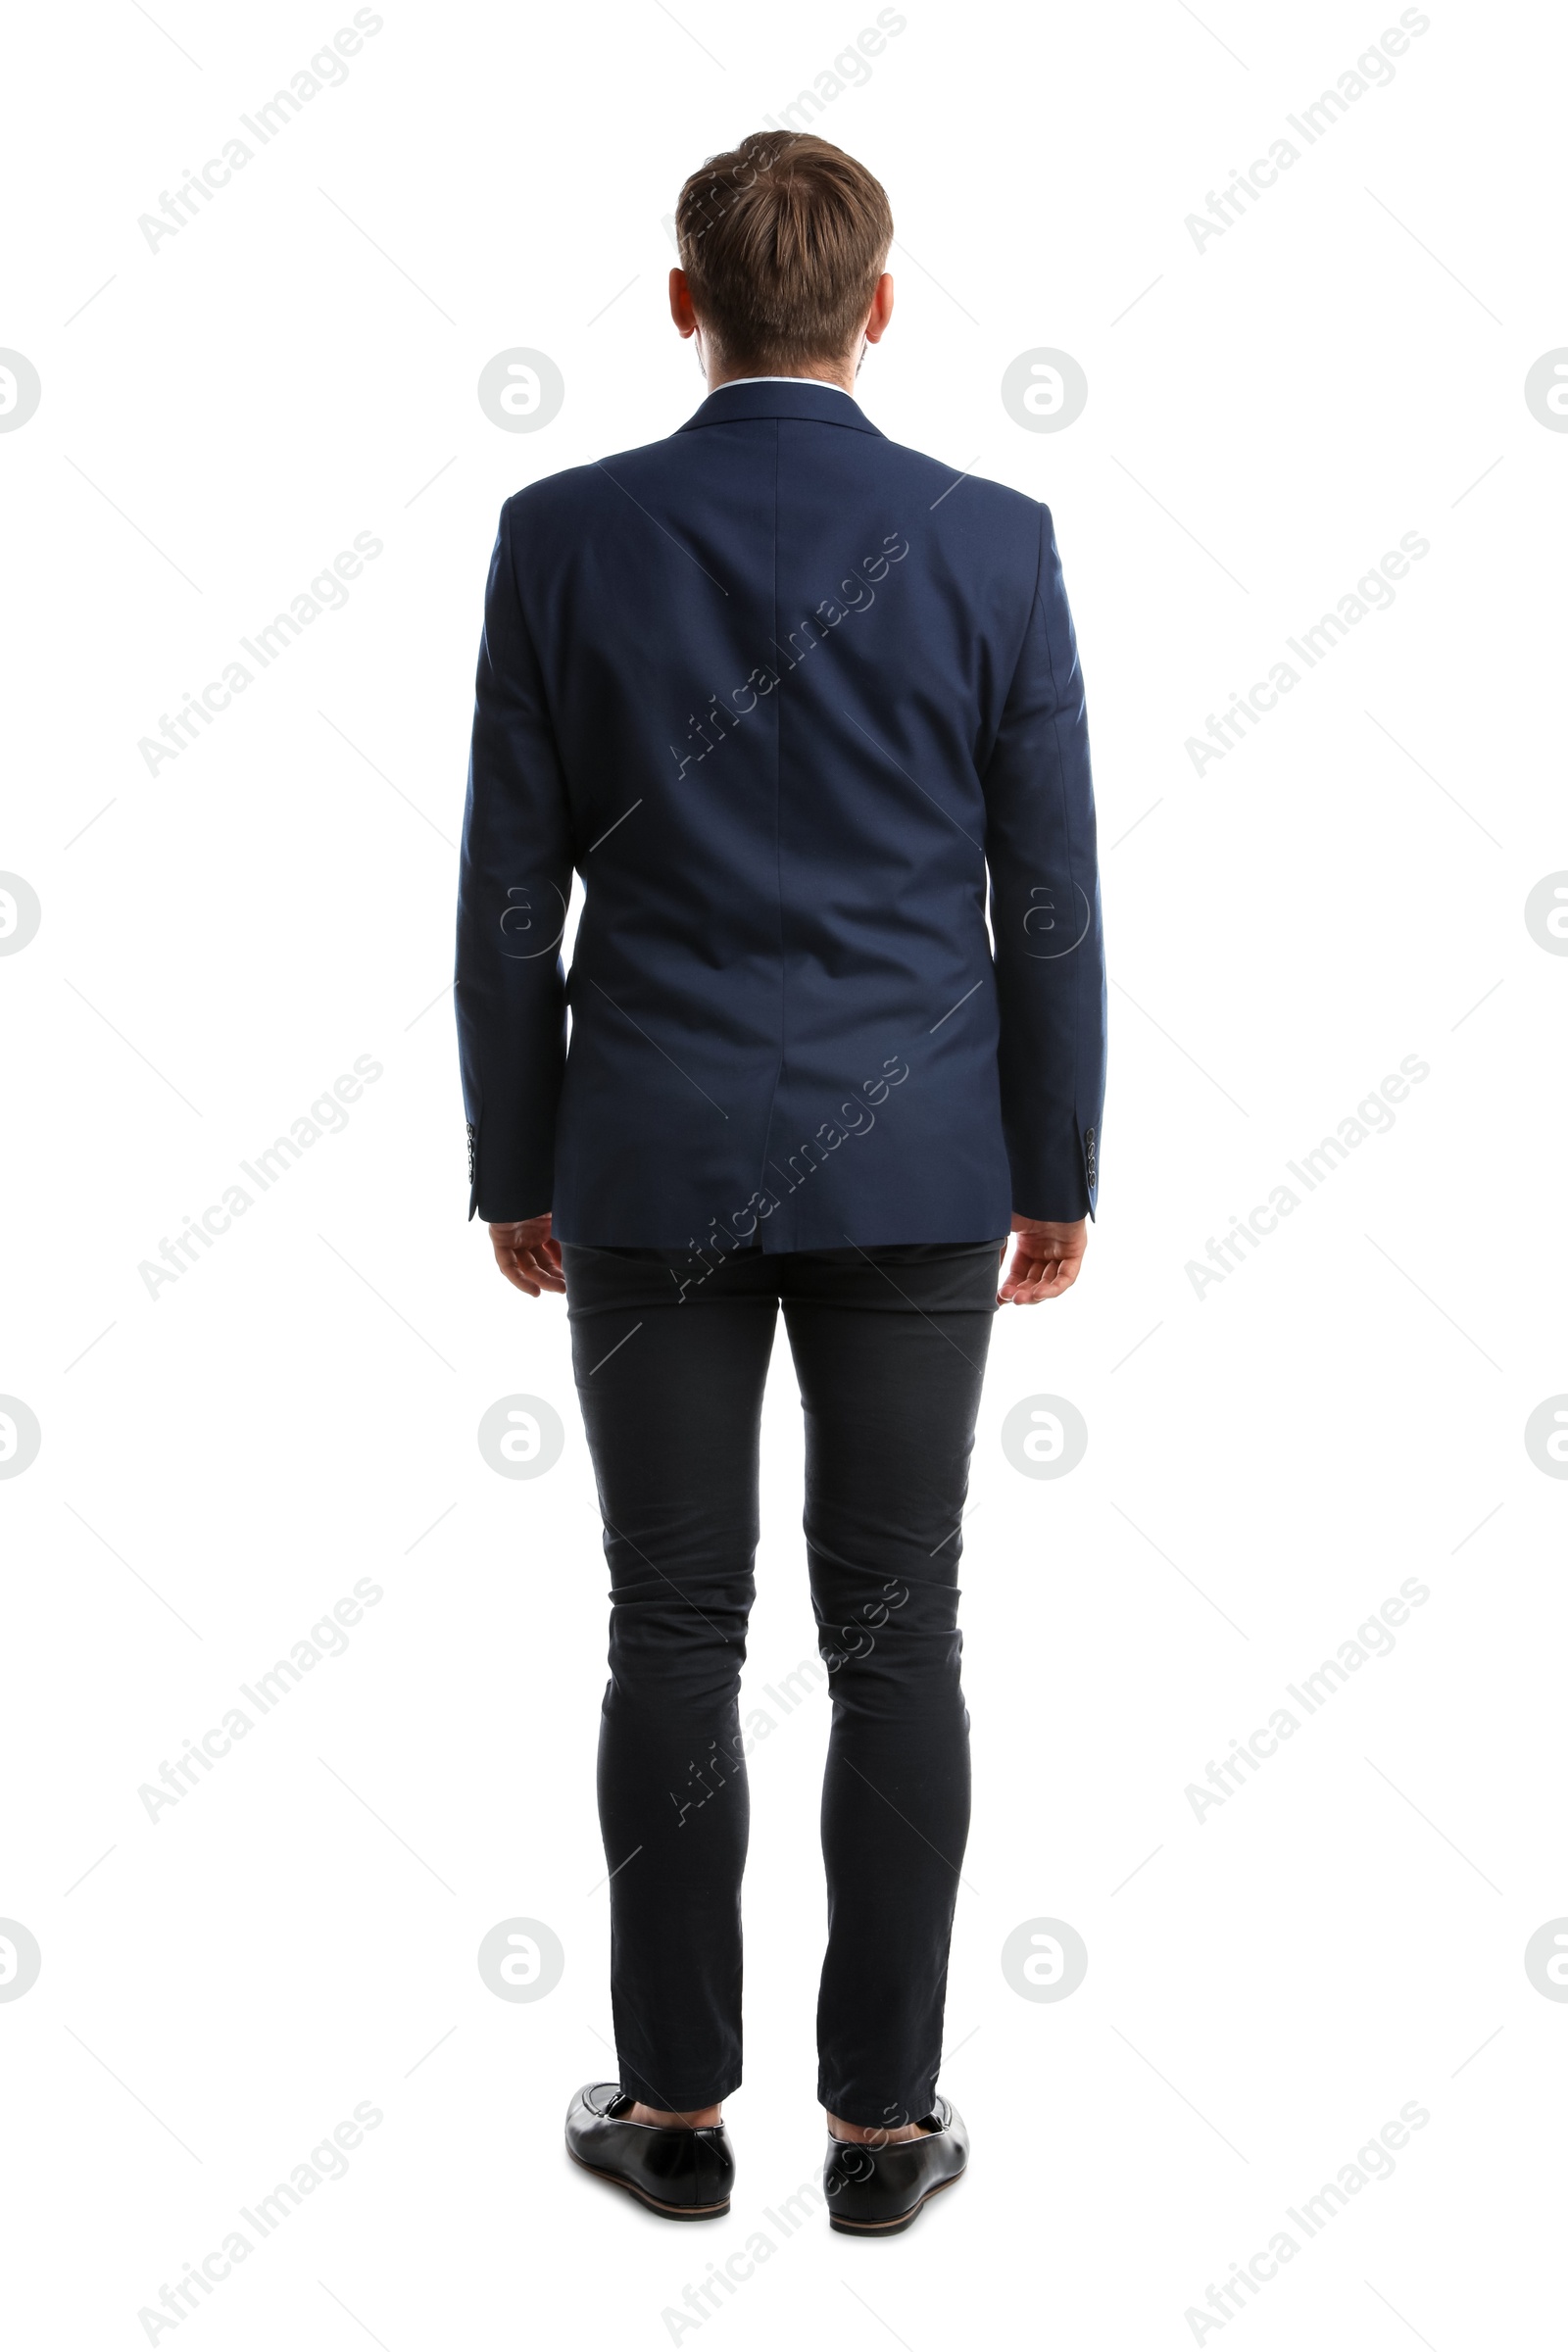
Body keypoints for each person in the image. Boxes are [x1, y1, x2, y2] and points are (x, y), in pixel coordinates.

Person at [455, 129, 1105, 2234]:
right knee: (897, 1635)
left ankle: (667, 2115)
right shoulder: (991, 541)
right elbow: (1052, 904)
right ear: (877, 310)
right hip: (921, 1157)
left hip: (645, 1152)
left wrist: (510, 1158)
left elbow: (502, 903)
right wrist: (1056, 1163)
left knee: (671, 1623)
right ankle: (883, 2134)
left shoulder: (561, 534)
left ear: (682, 303)